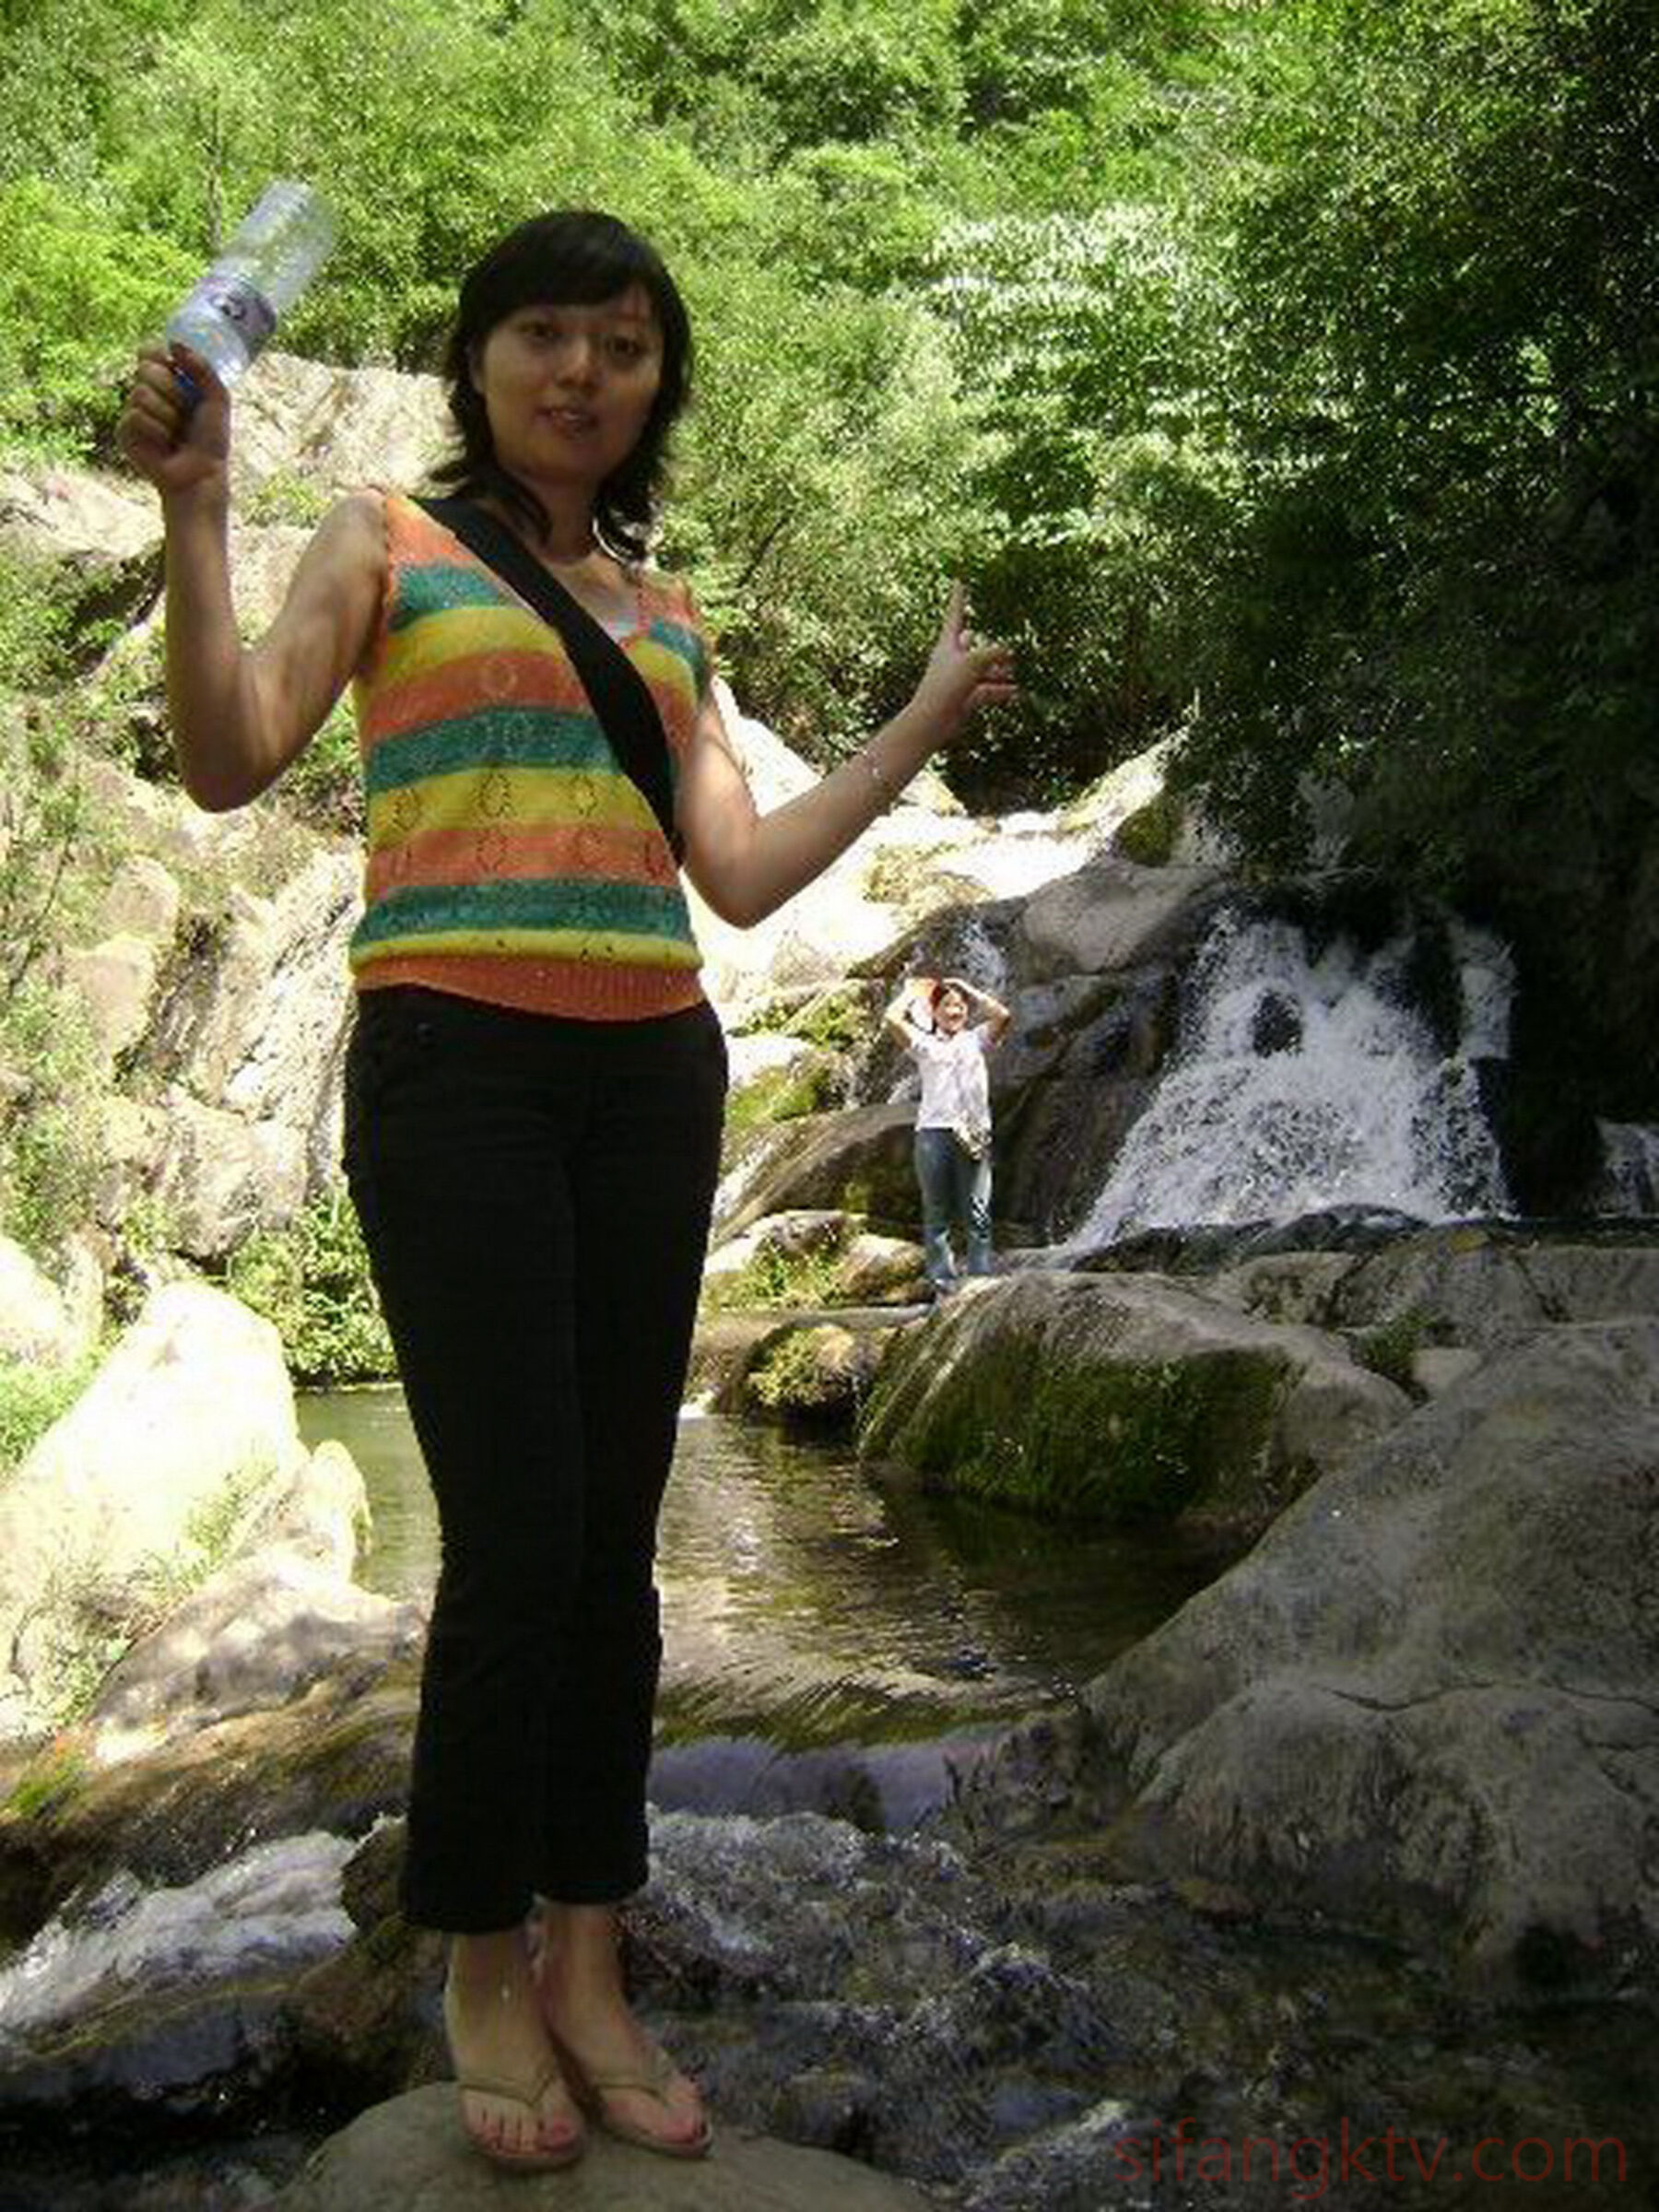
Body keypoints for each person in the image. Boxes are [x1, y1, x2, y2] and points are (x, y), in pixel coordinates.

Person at [117, 209, 1015, 2176]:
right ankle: (480, 1965)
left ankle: (594, 1958)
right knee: (518, 1537)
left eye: (622, 342)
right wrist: (196, 508)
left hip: (650, 1074)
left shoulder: (670, 617)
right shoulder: (385, 540)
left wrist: (921, 721)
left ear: (656, 382)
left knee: (613, 1549)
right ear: (480, 359)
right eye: (545, 333)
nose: (581, 370)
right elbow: (228, 755)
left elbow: (742, 879)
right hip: (455, 1068)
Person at [884, 974, 1012, 1294]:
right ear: (935, 1012)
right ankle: (942, 1279)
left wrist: (970, 991)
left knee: (978, 1208)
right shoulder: (923, 1043)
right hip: (934, 1133)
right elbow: (891, 1019)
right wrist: (911, 993)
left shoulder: (977, 1038)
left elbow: (1003, 1016)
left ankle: (980, 1277)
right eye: (946, 1005)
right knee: (936, 1209)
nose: (954, 1011)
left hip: (974, 1131)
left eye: (959, 1006)